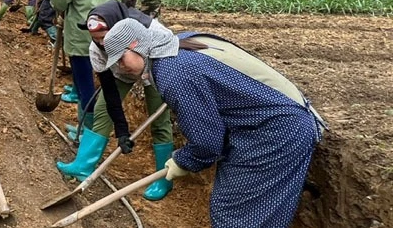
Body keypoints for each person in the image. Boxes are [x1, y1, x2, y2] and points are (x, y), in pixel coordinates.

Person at [102, 19, 325, 227]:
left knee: (234, 216)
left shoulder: (173, 71)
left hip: (277, 132)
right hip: (266, 123)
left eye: (121, 58)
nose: (121, 67)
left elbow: (207, 144)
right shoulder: (180, 43)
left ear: (135, 44)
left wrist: (182, 160)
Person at [57, 0, 175, 201]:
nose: (101, 43)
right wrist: (122, 131)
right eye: (96, 39)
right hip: (121, 69)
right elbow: (111, 93)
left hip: (154, 63)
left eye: (104, 37)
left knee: (158, 121)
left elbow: (158, 62)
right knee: (103, 107)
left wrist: (145, 74)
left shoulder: (154, 34)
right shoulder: (96, 50)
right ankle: (83, 165)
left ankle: (163, 178)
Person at [49, 0, 113, 140]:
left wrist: (60, 8)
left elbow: (58, 0)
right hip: (105, 34)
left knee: (84, 86)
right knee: (101, 84)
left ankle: (86, 132)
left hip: (81, 36)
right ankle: (95, 128)